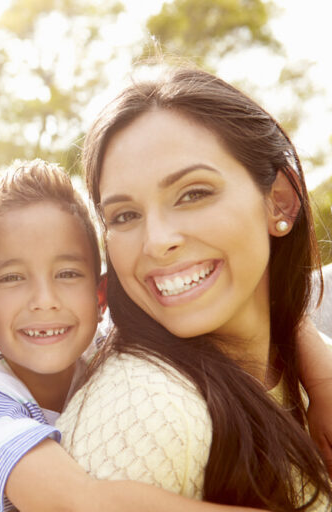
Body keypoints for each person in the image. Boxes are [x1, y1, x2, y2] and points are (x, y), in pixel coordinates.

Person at [57, 67, 332, 510]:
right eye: (125, 215)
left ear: (280, 200)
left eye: (193, 193)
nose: (157, 241)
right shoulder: (147, 410)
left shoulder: (298, 365)